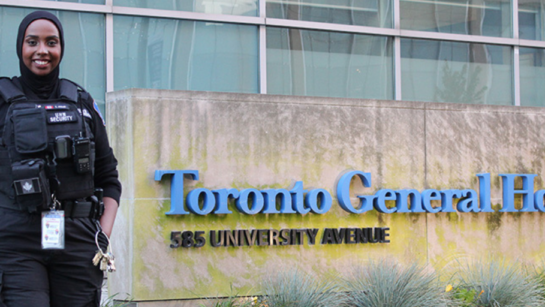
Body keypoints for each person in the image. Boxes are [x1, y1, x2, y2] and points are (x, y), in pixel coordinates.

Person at [0, 11, 121, 307]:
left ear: (61, 48)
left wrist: (102, 236)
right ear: (20, 47)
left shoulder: (81, 102)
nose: (42, 51)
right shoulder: (2, 102)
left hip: (78, 239)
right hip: (16, 243)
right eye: (33, 42)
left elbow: (108, 178)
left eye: (51, 42)